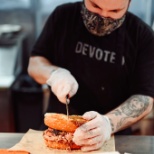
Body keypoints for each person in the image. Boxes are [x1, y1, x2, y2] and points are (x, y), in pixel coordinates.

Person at [28, 0, 154, 152]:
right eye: (95, 6)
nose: (104, 16)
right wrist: (54, 74)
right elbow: (35, 63)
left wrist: (108, 124)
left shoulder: (143, 36)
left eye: (115, 11)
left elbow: (145, 98)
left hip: (111, 139)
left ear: (129, 3)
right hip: (57, 134)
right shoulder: (63, 16)